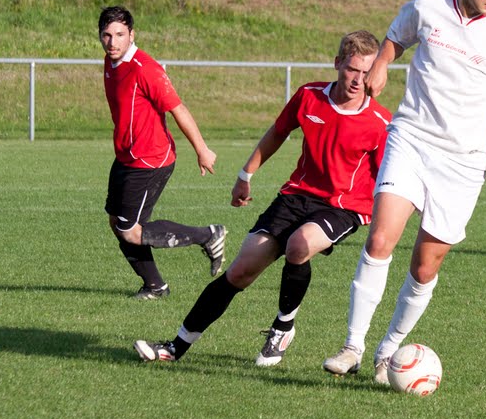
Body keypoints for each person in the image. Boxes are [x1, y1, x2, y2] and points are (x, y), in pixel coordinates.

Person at [323, 0, 486, 384]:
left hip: (465, 160)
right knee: (380, 239)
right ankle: (352, 346)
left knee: (424, 266)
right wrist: (381, 64)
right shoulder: (427, 6)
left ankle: (389, 350)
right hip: (412, 139)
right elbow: (396, 37)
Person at [133, 31, 392, 366]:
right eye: (352, 70)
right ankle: (174, 347)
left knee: (299, 245)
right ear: (337, 63)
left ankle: (283, 327)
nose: (358, 80)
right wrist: (245, 175)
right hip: (296, 195)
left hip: (344, 206)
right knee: (240, 271)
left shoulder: (381, 122)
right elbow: (278, 132)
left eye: (365, 72)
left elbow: (389, 177)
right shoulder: (309, 96)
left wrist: (387, 221)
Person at [99, 6, 227, 300]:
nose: (113, 42)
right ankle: (155, 286)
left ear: (132, 34)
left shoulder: (147, 69)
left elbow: (178, 109)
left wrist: (202, 149)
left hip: (150, 160)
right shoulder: (110, 62)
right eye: (107, 35)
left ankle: (208, 235)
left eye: (120, 34)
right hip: (126, 157)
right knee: (116, 222)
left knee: (129, 229)